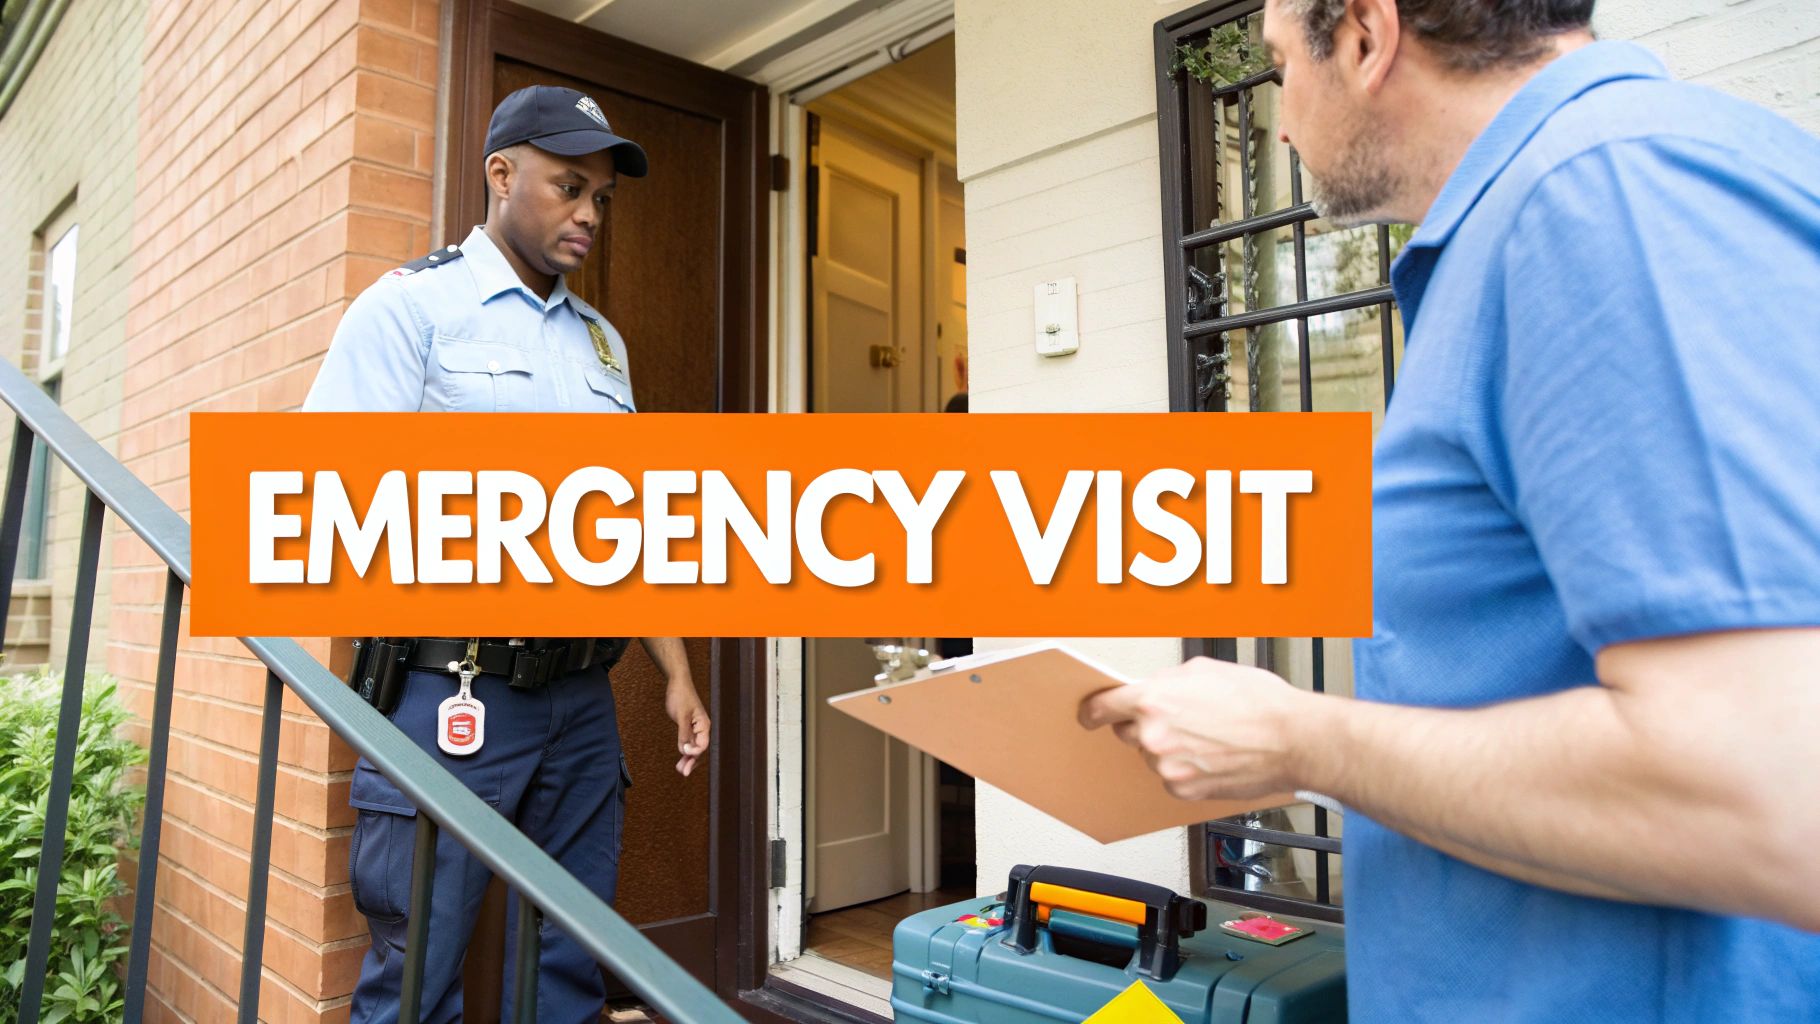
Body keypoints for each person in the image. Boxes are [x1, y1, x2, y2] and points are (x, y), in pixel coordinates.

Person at [1081, 0, 1820, 1019]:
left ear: (1365, 36)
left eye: (1281, 65)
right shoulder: (1544, 213)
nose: (1281, 122)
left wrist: (1299, 740)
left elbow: (1771, 794)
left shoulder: (1605, 195)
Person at [303, 85, 712, 1023]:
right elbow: (325, 494)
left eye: (602, 198)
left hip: (582, 705)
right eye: (570, 187)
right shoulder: (412, 309)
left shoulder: (603, 345)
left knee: (569, 964)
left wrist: (674, 674)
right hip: (454, 692)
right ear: (500, 173)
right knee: (415, 977)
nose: (588, 215)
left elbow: (628, 528)